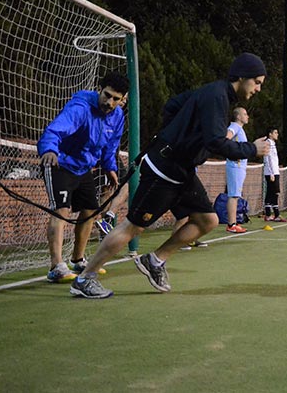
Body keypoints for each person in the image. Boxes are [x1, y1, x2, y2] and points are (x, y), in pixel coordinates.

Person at [70, 52, 270, 298]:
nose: (259, 88)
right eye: (257, 82)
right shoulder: (216, 96)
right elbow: (216, 142)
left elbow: (172, 105)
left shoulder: (214, 93)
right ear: (243, 76)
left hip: (181, 170)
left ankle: (155, 260)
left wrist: (178, 134)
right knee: (133, 226)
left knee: (208, 220)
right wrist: (253, 149)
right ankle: (84, 278)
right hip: (164, 171)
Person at [37, 72, 129, 282]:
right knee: (61, 210)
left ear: (122, 99)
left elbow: (111, 144)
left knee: (90, 211)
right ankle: (56, 267)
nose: (109, 102)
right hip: (59, 162)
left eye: (116, 98)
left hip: (84, 168)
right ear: (100, 89)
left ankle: (78, 260)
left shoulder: (117, 116)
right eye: (107, 95)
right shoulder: (80, 108)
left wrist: (109, 167)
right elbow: (55, 129)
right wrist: (49, 149)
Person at [225, 107, 251, 233]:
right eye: (245, 114)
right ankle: (231, 224)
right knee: (233, 195)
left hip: (241, 167)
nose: (247, 116)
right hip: (235, 166)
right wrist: (233, 152)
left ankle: (233, 223)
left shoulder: (240, 129)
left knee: (236, 195)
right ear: (238, 116)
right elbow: (226, 138)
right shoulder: (234, 126)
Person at [262, 127, 286, 222]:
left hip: (274, 171)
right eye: (275, 132)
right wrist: (271, 172)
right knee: (275, 192)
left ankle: (268, 214)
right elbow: (267, 159)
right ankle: (276, 214)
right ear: (270, 134)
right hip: (271, 172)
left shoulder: (273, 144)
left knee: (270, 192)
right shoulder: (268, 143)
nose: (277, 134)